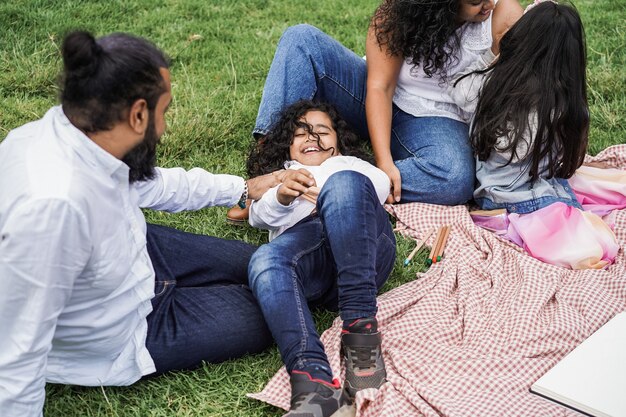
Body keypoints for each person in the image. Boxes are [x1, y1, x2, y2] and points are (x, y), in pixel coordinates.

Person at [0, 31, 281, 416]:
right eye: (163, 112)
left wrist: (243, 189)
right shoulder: (53, 210)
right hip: (130, 331)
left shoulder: (80, 133)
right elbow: (17, 348)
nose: (163, 127)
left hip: (138, 254)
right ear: (137, 115)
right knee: (277, 302)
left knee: (271, 265)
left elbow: (154, 184)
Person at [250, 0, 523, 205]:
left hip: (438, 117)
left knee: (453, 178)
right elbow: (380, 86)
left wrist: (385, 169)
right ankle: (270, 165)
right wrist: (383, 159)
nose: (488, 3)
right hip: (375, 95)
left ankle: (325, 180)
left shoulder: (503, 14)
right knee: (302, 39)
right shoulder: (399, 12)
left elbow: (509, 96)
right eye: (475, 1)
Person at [246, 100, 396, 417]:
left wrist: (326, 189)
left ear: (338, 142)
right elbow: (258, 216)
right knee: (264, 259)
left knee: (344, 186)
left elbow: (379, 186)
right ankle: (313, 385)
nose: (312, 138)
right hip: (312, 262)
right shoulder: (282, 177)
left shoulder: (351, 166)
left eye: (322, 131)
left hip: (366, 251)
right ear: (287, 145)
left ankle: (361, 336)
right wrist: (284, 193)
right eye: (301, 133)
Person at [449, 1, 619, 269]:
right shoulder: (539, 97)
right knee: (580, 233)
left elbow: (460, 91)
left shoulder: (508, 79)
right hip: (509, 193)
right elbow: (515, 150)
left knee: (597, 189)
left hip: (525, 179)